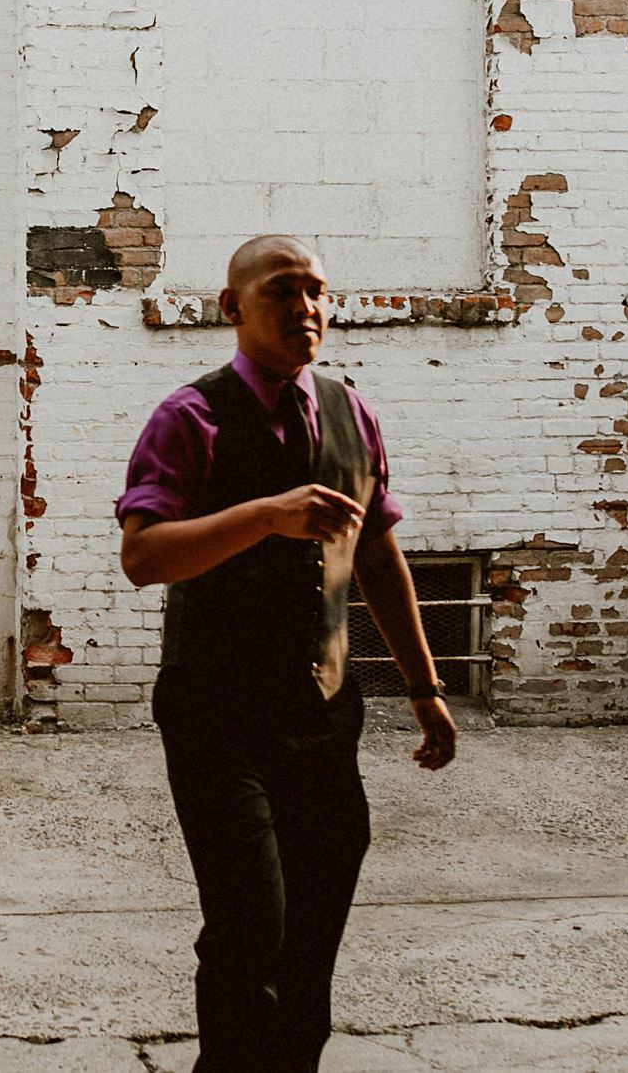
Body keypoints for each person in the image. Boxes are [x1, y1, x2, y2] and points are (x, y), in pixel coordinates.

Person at [117, 234, 458, 1073]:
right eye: (281, 290)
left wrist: (424, 685)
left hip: (324, 715)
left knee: (312, 937)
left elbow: (376, 555)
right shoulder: (189, 416)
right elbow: (144, 556)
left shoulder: (350, 411)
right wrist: (266, 515)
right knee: (248, 929)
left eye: (317, 291)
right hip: (217, 717)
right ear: (231, 306)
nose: (305, 307)